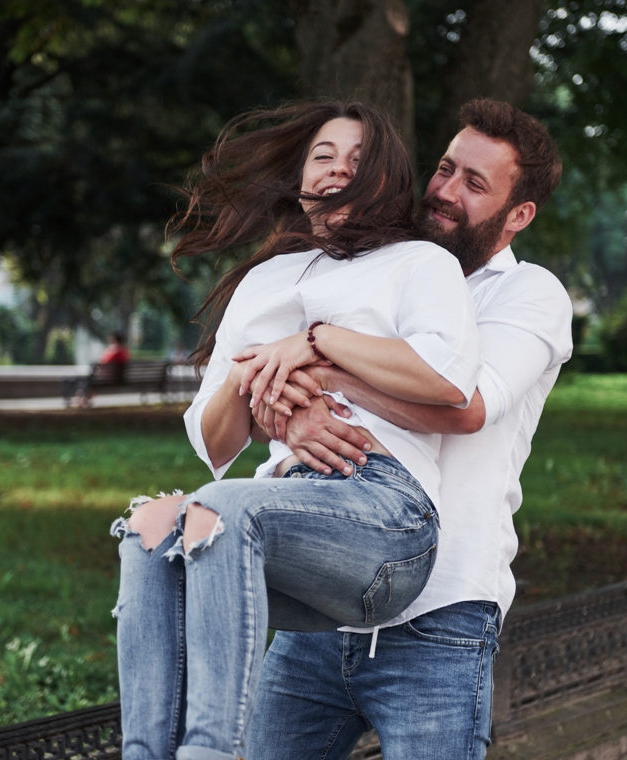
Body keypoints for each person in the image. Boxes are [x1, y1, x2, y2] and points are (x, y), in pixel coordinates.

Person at [111, 101, 480, 760]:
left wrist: (314, 345)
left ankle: (208, 752)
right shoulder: (266, 279)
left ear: (386, 180)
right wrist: (251, 378)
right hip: (282, 506)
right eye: (323, 156)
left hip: (385, 518)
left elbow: (445, 379)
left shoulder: (419, 263)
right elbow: (215, 440)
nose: (339, 170)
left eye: (358, 160)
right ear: (303, 179)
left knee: (217, 511)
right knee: (152, 525)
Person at [245, 99, 573, 760]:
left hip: (441, 617)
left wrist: (328, 370)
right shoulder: (372, 271)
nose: (446, 192)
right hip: (319, 604)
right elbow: (261, 387)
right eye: (446, 168)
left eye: (474, 184)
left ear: (518, 215)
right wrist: (294, 407)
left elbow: (465, 406)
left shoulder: (528, 295)